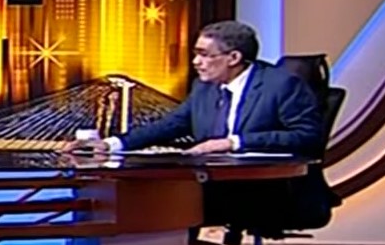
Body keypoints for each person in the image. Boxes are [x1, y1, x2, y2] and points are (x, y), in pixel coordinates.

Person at [63, 20, 333, 229]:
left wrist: (233, 143)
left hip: (269, 190)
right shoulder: (205, 87)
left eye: (204, 55)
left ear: (233, 58)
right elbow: (172, 124)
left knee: (175, 199)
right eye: (196, 54)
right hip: (216, 183)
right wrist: (111, 144)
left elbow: (307, 137)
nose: (196, 62)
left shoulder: (281, 85)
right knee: (153, 193)